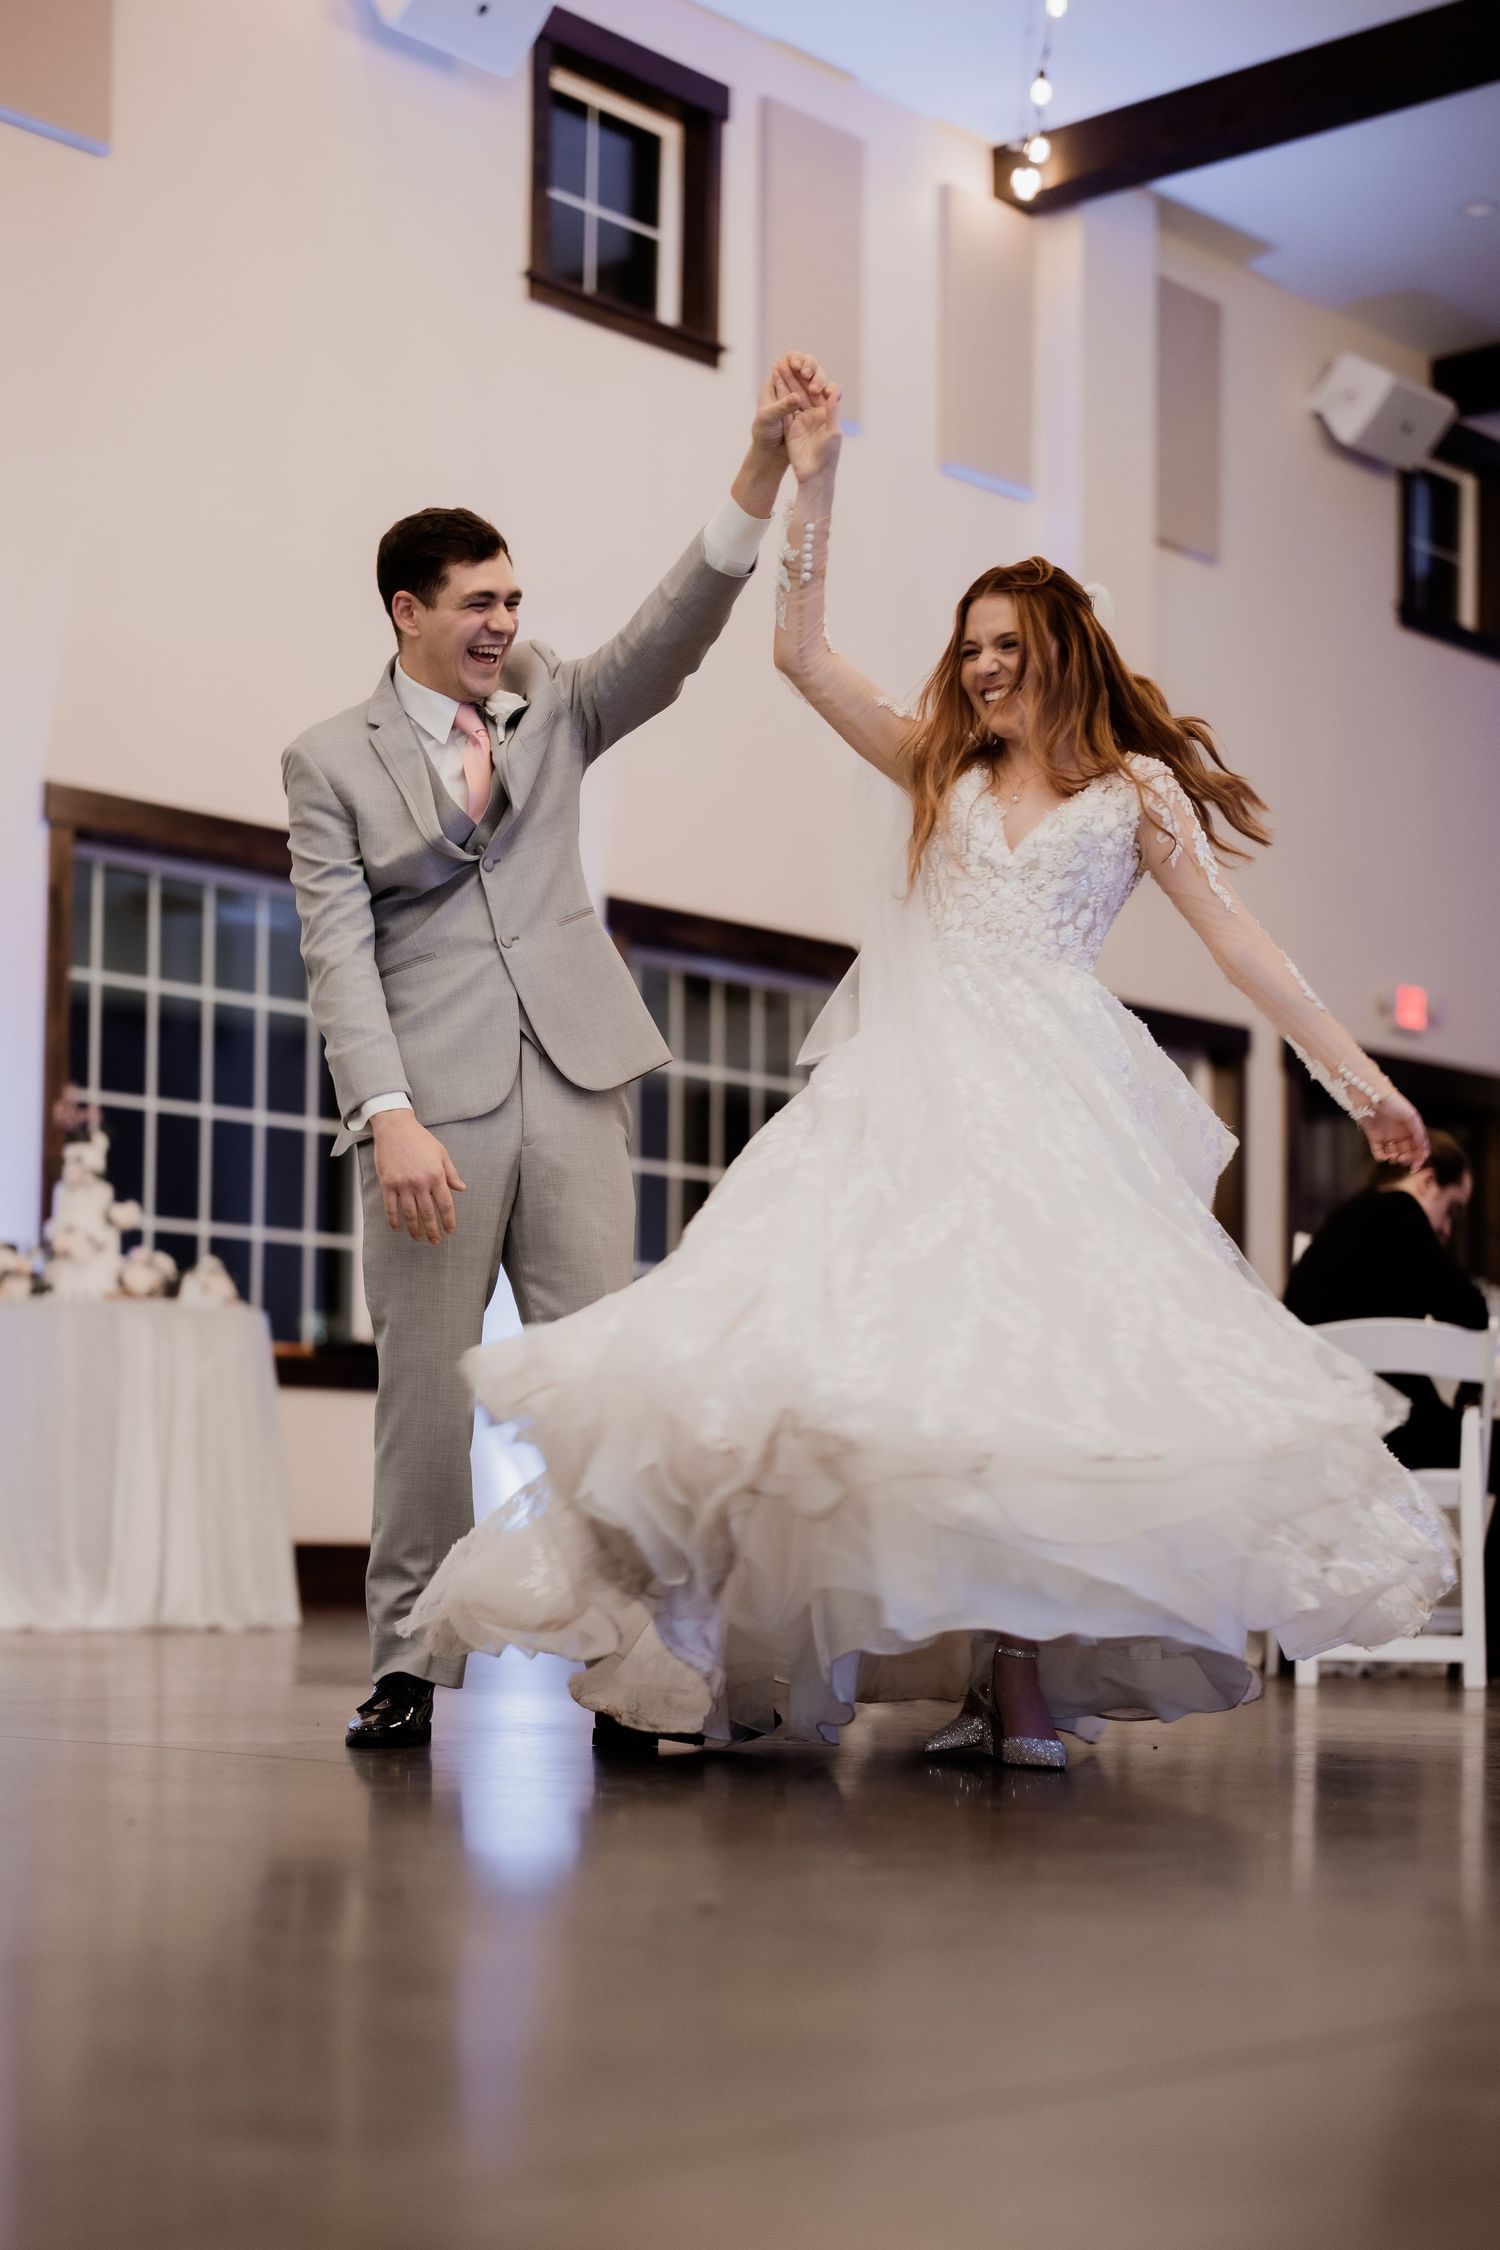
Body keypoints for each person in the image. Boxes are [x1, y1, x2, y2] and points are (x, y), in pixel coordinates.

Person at [403, 365, 1454, 1768]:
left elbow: (1239, 946)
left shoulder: (1134, 791)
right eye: (969, 647)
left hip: (1056, 1095)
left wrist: (1361, 1081)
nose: (981, 665)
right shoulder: (937, 771)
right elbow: (799, 653)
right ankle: (728, 1649)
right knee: (838, 1355)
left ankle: (1015, 1687)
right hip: (909, 1088)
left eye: (1006, 642)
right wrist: (817, 477)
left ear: (1063, 647)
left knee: (1031, 1379)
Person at [284, 355, 830, 1751]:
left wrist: (759, 468)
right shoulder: (328, 761)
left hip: (580, 1082)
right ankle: (408, 1660)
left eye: (513, 600)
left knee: (605, 1397)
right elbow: (338, 951)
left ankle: (631, 1669)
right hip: (431, 1111)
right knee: (424, 1395)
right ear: (407, 612)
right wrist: (386, 1112)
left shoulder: (561, 705)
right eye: (479, 603)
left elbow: (674, 629)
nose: (504, 624)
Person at [1285, 1134, 1487, 1472]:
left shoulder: (1344, 1218)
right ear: (1428, 1182)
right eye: (1452, 1210)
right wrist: (1470, 1393)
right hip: (1387, 1428)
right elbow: (1469, 1310)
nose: (1447, 1229)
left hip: (1323, 1427)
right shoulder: (1401, 1211)